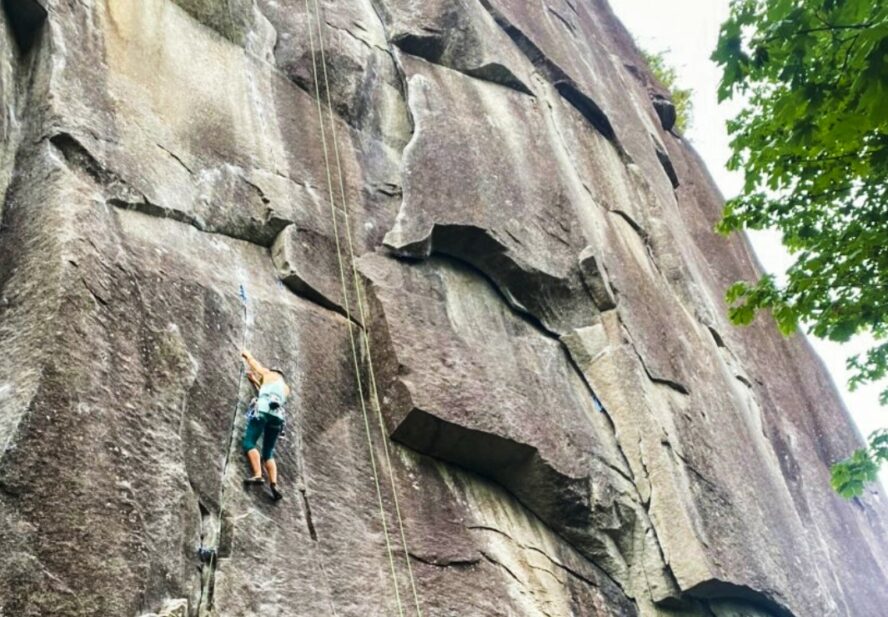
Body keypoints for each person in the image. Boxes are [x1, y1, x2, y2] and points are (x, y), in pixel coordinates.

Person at [240, 350, 291, 501]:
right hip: (277, 418)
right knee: (268, 452)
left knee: (249, 442)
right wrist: (254, 381)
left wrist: (247, 355)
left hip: (262, 411)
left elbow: (257, 367)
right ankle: (274, 484)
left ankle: (258, 475)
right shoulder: (286, 388)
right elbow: (265, 391)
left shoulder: (269, 374)